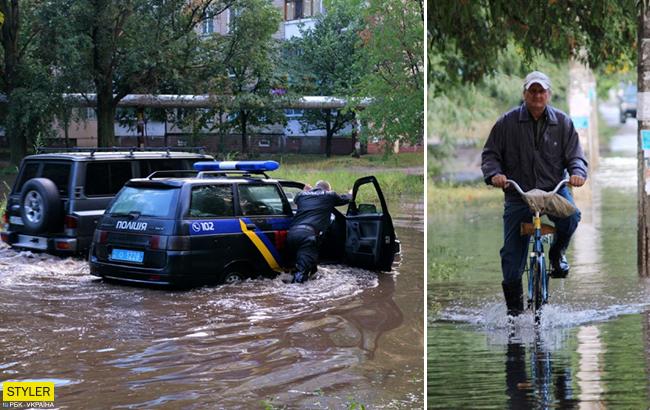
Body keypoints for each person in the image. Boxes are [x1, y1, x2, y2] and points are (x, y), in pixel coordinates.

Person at [481, 70, 588, 317]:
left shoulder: (563, 123)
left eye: (542, 91)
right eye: (533, 91)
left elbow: (576, 157)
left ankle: (557, 253)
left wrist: (577, 173)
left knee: (571, 218)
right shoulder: (506, 123)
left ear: (548, 94)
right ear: (525, 93)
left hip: (554, 191)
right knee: (511, 257)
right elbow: (490, 156)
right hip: (519, 194)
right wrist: (495, 174)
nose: (537, 95)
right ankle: (515, 314)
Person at [287, 180, 351, 283]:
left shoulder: (301, 195)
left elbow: (297, 200)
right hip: (308, 238)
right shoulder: (330, 195)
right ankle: (296, 295)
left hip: (291, 234)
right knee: (301, 273)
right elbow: (346, 199)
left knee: (307, 267)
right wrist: (351, 193)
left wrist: (307, 191)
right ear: (328, 189)